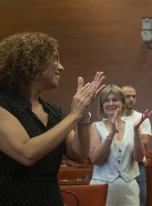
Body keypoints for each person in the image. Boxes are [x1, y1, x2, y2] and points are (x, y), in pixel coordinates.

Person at [0, 32, 105, 206]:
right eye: (55, 60)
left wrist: (82, 117)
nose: (61, 67)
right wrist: (74, 115)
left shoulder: (52, 111)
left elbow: (79, 154)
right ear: (33, 64)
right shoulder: (3, 105)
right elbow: (27, 153)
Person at [89, 85, 152, 206]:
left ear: (122, 103)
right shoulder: (96, 126)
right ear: (102, 105)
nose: (111, 103)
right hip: (102, 187)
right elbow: (95, 160)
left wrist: (136, 131)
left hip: (129, 190)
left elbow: (138, 158)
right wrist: (111, 133)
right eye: (106, 100)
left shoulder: (133, 126)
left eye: (115, 99)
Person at [122, 85, 152, 206]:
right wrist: (134, 135)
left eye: (134, 96)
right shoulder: (114, 118)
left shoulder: (142, 117)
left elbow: (144, 142)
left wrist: (121, 139)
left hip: (138, 165)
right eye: (127, 96)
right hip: (118, 164)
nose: (131, 99)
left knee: (140, 202)